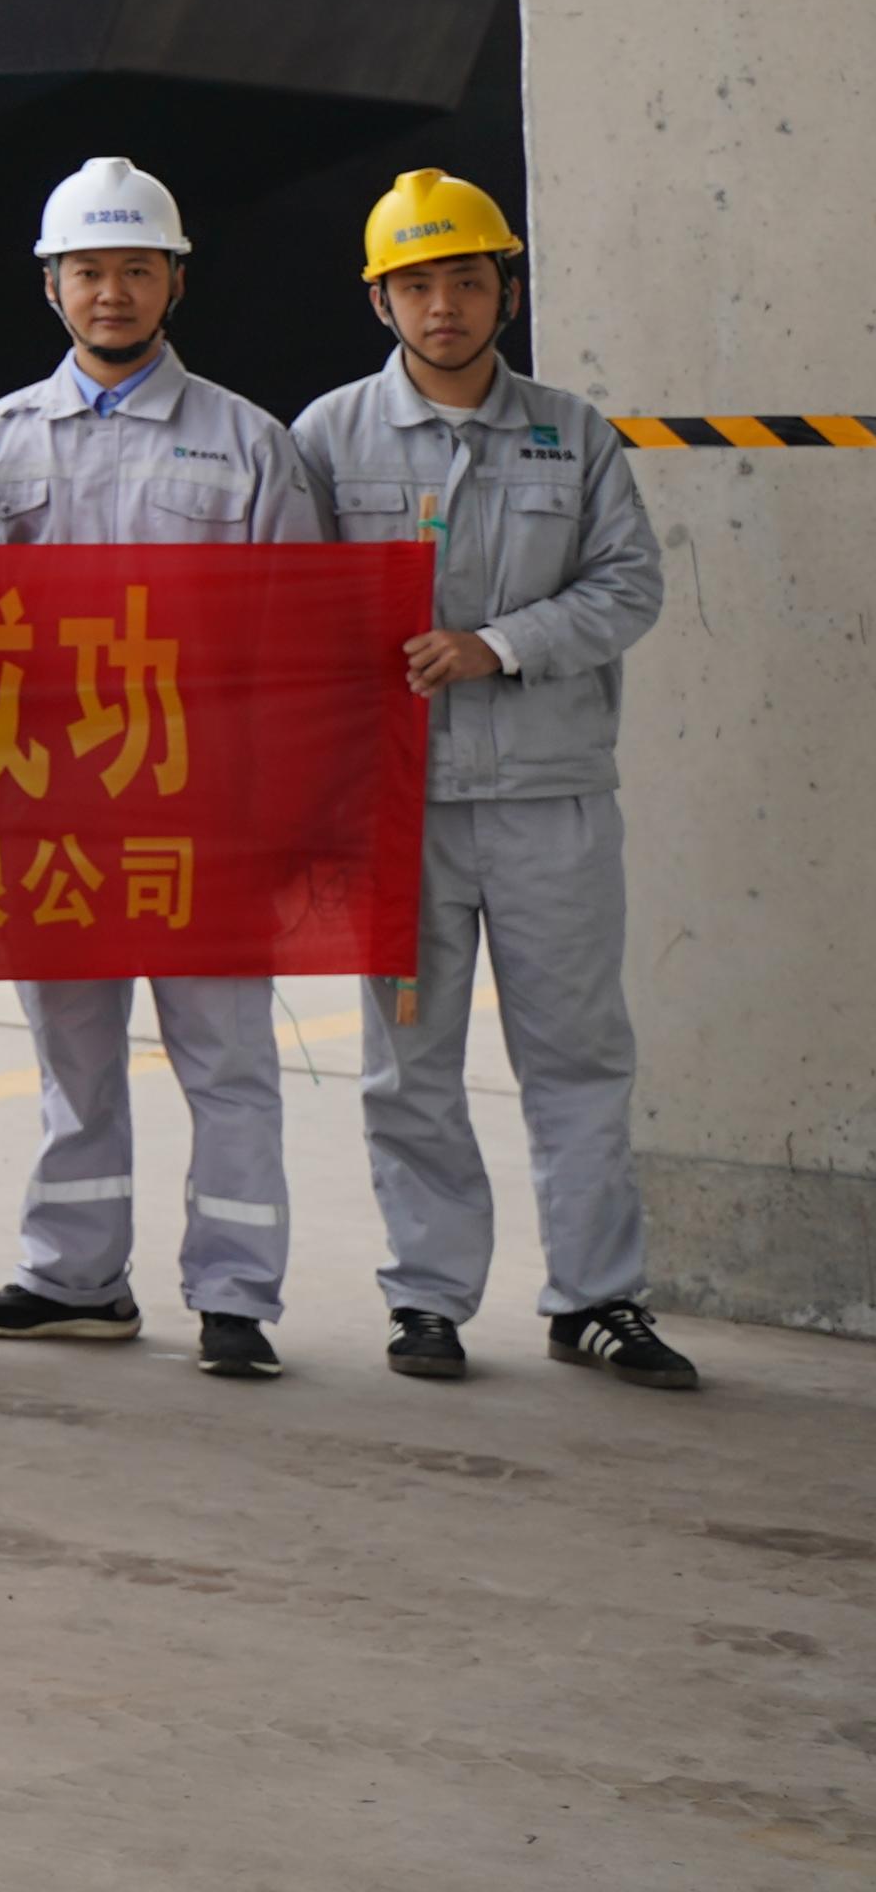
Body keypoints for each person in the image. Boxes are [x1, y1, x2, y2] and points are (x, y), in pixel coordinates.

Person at [296, 171, 694, 1393]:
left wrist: (498, 645)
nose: (443, 307)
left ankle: (596, 1298)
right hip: (396, 811)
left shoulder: (572, 433)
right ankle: (426, 1299)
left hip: (546, 803)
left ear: (505, 291)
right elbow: (286, 613)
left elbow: (630, 584)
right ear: (379, 301)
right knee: (408, 1066)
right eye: (415, 284)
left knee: (577, 1057)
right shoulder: (327, 439)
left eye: (465, 281)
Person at [0, 154, 329, 1378]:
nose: (109, 293)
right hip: (51, 815)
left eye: (134, 269)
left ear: (173, 281)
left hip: (204, 819)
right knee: (72, 1060)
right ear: (49, 286)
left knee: (228, 1062)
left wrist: (287, 821)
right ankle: (75, 1281)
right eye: (86, 271)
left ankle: (235, 1297)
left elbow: (303, 646)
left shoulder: (248, 444)